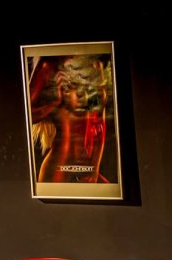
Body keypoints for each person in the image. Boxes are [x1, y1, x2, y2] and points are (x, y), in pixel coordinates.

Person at [28, 54, 114, 184]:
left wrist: (95, 167)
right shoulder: (50, 64)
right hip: (59, 167)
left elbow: (98, 122)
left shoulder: (94, 64)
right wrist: (54, 102)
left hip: (88, 169)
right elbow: (27, 115)